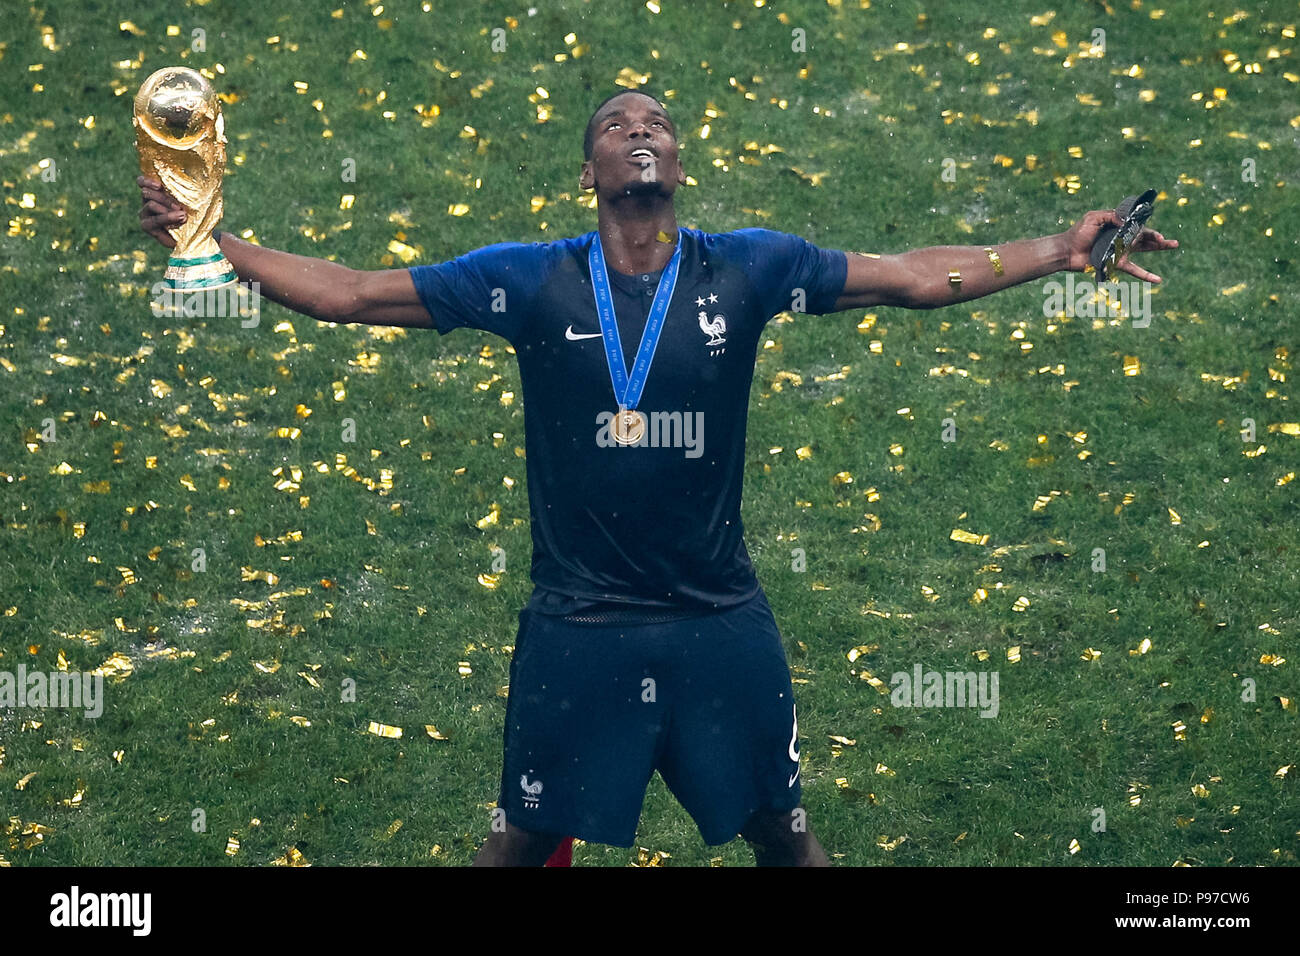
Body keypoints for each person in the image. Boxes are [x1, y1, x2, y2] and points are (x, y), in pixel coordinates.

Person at [138, 89, 1177, 866]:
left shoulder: (751, 267)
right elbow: (355, 294)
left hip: (716, 615)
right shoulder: (525, 280)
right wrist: (215, 239)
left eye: (657, 122)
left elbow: (910, 276)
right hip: (577, 624)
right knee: (517, 841)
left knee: (785, 832)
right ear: (589, 171)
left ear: (677, 161)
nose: (639, 128)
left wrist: (1058, 247)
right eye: (613, 123)